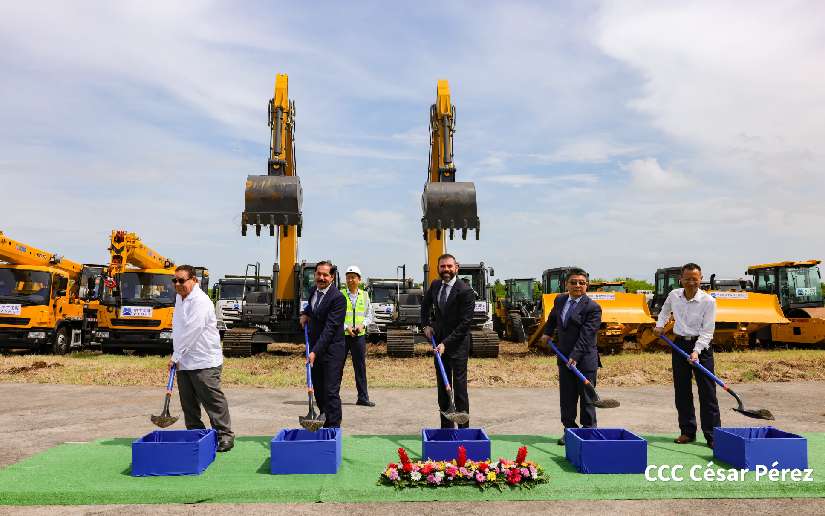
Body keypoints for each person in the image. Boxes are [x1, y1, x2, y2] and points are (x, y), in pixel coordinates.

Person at [653, 262, 720, 448]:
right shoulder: (674, 295)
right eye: (687, 279)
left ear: (701, 279)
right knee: (682, 391)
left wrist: (696, 351)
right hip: (680, 344)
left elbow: (708, 331)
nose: (691, 282)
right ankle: (687, 432)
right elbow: (664, 311)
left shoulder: (708, 301)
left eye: (695, 279)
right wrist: (660, 325)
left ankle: (712, 435)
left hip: (702, 348)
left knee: (707, 392)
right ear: (681, 279)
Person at [169, 264, 234, 452]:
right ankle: (196, 435)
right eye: (175, 280)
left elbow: (193, 330)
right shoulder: (179, 298)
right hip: (184, 361)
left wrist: (175, 356)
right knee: (188, 404)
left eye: (182, 280)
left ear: (194, 280)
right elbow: (179, 329)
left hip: (204, 360)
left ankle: (224, 436)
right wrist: (177, 355)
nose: (178, 284)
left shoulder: (201, 301)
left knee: (212, 401)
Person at [540, 268, 602, 445]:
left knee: (587, 399)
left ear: (587, 285)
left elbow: (587, 335)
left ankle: (588, 432)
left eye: (582, 283)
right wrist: (547, 332)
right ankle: (569, 431)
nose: (577, 285)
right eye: (573, 282)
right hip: (564, 357)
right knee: (567, 398)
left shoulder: (593, 308)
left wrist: (575, 355)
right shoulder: (560, 300)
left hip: (584, 359)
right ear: (566, 284)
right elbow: (553, 318)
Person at [421, 253, 474, 428]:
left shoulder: (465, 291)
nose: (446, 269)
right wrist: (425, 325)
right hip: (439, 344)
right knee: (443, 389)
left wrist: (446, 343)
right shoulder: (435, 285)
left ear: (456, 268)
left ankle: (463, 430)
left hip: (458, 346)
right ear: (438, 268)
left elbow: (465, 324)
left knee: (459, 389)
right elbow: (425, 305)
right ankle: (447, 429)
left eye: (449, 266)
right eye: (442, 266)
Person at [299, 261, 346, 428]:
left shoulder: (338, 299)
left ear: (332, 277)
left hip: (332, 351)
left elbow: (330, 329)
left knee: (330, 391)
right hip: (316, 349)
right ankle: (324, 421)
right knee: (318, 390)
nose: (321, 278)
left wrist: (314, 352)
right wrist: (305, 314)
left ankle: (333, 429)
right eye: (319, 274)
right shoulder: (314, 291)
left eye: (325, 275)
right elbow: (313, 309)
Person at [341, 265, 375, 407]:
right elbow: (336, 315)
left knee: (360, 368)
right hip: (342, 336)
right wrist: (346, 327)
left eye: (353, 277)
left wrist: (362, 325)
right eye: (348, 277)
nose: (350, 280)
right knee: (337, 367)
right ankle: (332, 397)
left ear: (359, 279)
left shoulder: (365, 295)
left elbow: (369, 315)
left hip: (359, 337)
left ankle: (363, 397)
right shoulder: (340, 294)